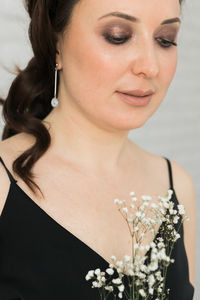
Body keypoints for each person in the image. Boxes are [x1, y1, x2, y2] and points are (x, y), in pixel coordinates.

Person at [0, 0, 196, 299]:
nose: (150, 66)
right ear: (55, 44)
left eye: (165, 39)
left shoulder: (177, 186)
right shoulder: (3, 184)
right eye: (118, 35)